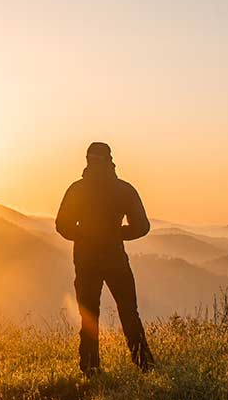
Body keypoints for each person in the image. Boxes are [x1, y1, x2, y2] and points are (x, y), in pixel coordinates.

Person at [55, 141, 156, 374]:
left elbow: (62, 226)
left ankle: (90, 368)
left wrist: (85, 235)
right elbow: (142, 226)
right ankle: (145, 365)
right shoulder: (123, 189)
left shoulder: (77, 189)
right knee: (129, 312)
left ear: (87, 160)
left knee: (89, 315)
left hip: (85, 259)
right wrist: (116, 234)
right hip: (115, 258)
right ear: (110, 160)